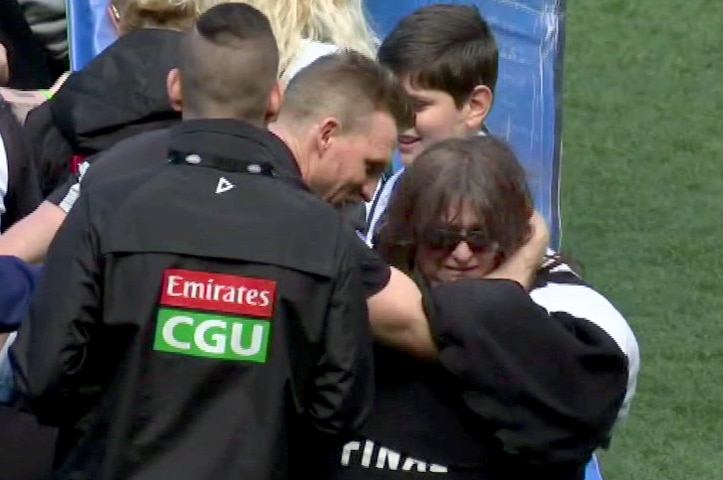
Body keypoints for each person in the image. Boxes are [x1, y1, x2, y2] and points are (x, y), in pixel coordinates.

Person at [8, 4, 416, 478]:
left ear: (176, 87)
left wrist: (111, 416)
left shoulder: (109, 203)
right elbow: (338, 408)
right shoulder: (325, 236)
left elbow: (41, 373)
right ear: (276, 99)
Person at [334, 135, 639, 480]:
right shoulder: (378, 286)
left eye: (480, 238)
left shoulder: (579, 313)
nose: (461, 254)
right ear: (412, 235)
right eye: (441, 239)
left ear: (512, 234)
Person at [365, 4, 498, 246]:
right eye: (391, 101)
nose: (398, 118)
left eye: (417, 105)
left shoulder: (491, 197)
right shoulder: (399, 182)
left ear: (474, 106)